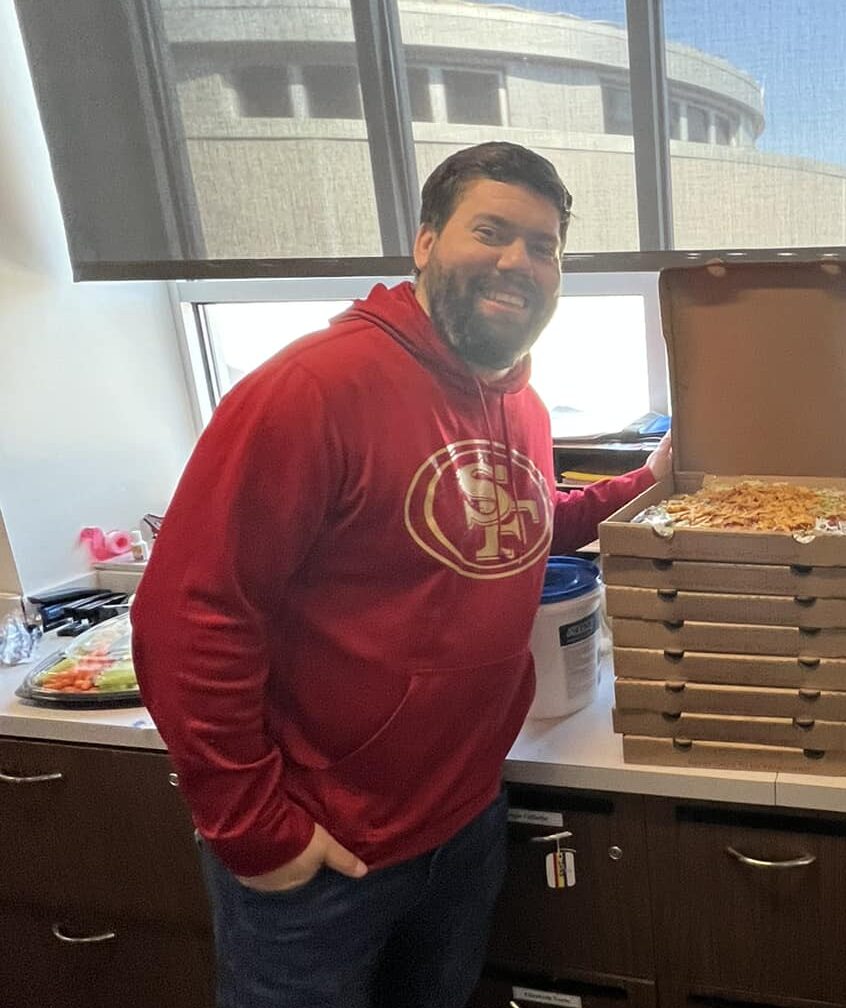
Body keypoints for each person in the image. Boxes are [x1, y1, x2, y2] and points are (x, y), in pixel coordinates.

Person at [132, 142, 667, 1008]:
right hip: (324, 855)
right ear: (424, 241)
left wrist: (648, 482)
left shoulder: (520, 406)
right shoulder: (312, 389)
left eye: (542, 245)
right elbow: (186, 617)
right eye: (489, 231)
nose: (517, 261)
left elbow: (525, 531)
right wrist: (257, 831)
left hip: (463, 825)